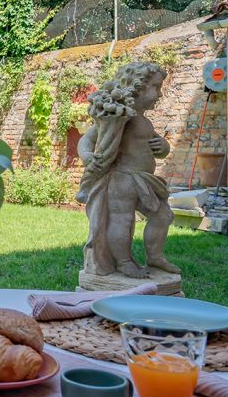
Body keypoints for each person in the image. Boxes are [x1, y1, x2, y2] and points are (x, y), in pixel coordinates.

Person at [76, 61, 179, 279]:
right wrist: (87, 156)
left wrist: (163, 146)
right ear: (137, 87)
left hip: (144, 180)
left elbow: (155, 149)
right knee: (122, 220)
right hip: (121, 180)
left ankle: (155, 256)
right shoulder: (119, 116)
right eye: (156, 87)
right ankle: (123, 262)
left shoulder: (144, 121)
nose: (160, 94)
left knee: (163, 215)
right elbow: (87, 140)